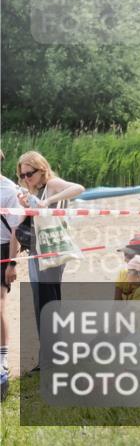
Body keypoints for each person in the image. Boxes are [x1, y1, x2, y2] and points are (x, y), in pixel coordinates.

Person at [15, 151, 85, 333]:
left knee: (47, 299)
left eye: (29, 174)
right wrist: (24, 206)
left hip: (50, 248)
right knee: (41, 299)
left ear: (41, 169)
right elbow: (26, 223)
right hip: (35, 250)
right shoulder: (32, 190)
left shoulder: (51, 184)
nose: (26, 178)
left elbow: (78, 188)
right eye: (22, 175)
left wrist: (47, 201)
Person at [0, 150, 23, 375]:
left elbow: (16, 228)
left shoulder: (8, 189)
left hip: (2, 249)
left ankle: (2, 358)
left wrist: (12, 263)